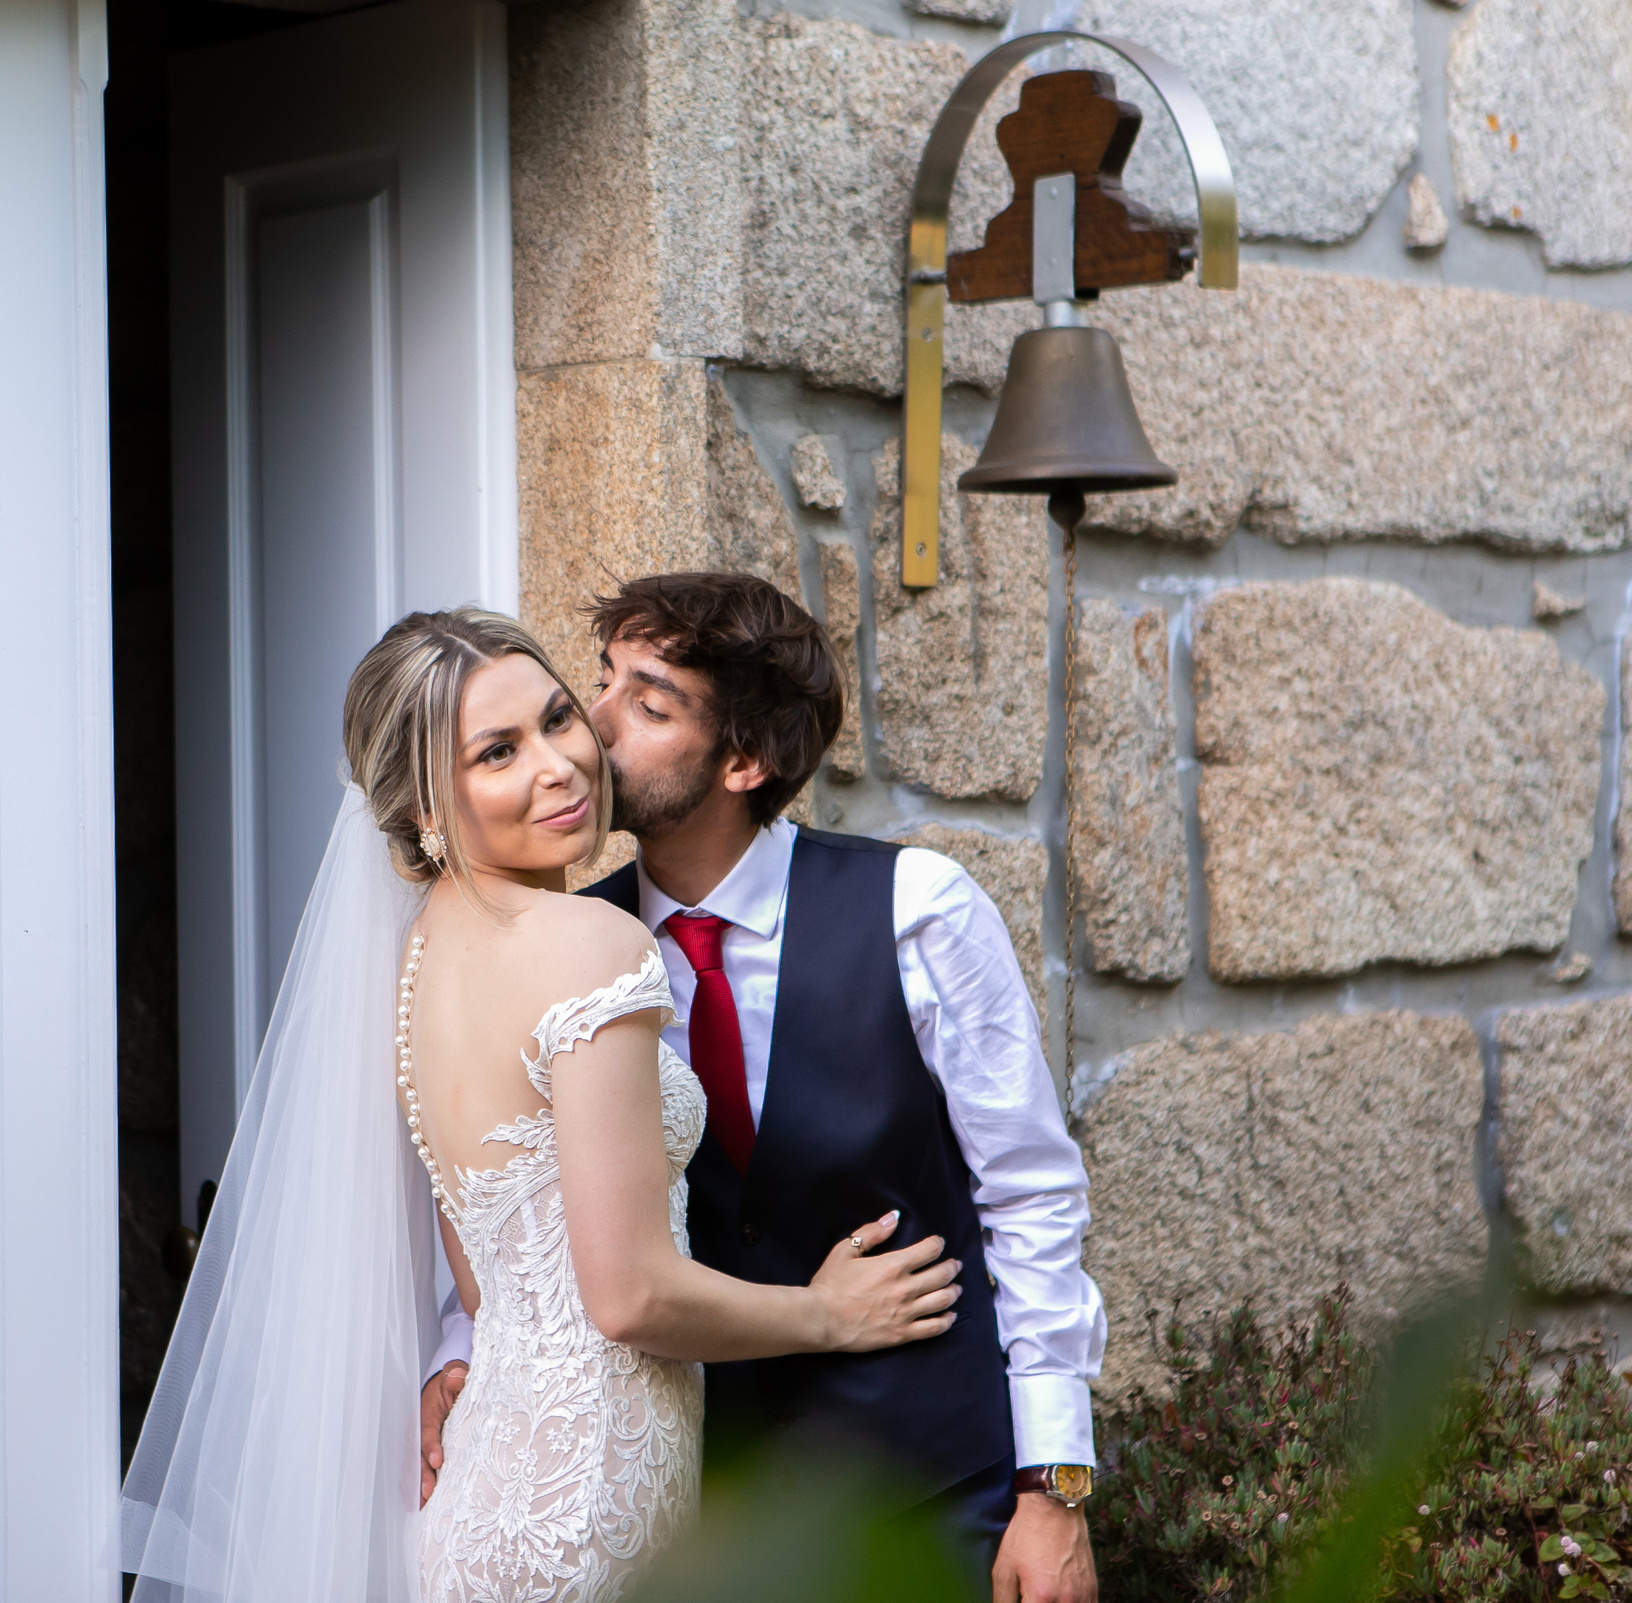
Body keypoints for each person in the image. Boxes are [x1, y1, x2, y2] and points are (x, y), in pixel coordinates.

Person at [123, 606, 962, 1602]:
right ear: (431, 807)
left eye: (559, 719)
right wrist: (824, 1315)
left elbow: (490, 1288)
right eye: (497, 752)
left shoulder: (414, 968)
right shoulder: (588, 943)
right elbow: (629, 1296)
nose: (560, 765)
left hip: (493, 1490)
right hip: (588, 1505)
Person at [420, 573, 1107, 1603]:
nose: (589, 733)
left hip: (928, 1501)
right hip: (704, 1527)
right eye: (597, 684)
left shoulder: (917, 909)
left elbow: (1030, 1193)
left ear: (743, 761)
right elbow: (506, 1182)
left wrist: (1051, 1487)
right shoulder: (565, 950)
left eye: (645, 706)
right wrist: (459, 1348)